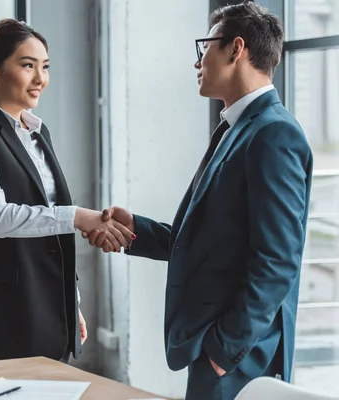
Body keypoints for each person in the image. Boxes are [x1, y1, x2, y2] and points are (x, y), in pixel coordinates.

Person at [85, 2, 313, 399]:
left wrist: (223, 351)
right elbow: (211, 239)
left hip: (242, 360)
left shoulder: (273, 135)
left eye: (204, 46)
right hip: (221, 352)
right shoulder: (237, 129)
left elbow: (277, 262)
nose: (197, 62)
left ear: (235, 49)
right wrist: (134, 228)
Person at [0, 19, 134, 364]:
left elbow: (48, 222)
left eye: (44, 67)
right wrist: (79, 216)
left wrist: (69, 300)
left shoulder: (36, 133)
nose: (40, 79)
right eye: (27, 65)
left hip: (50, 306)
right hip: (8, 310)